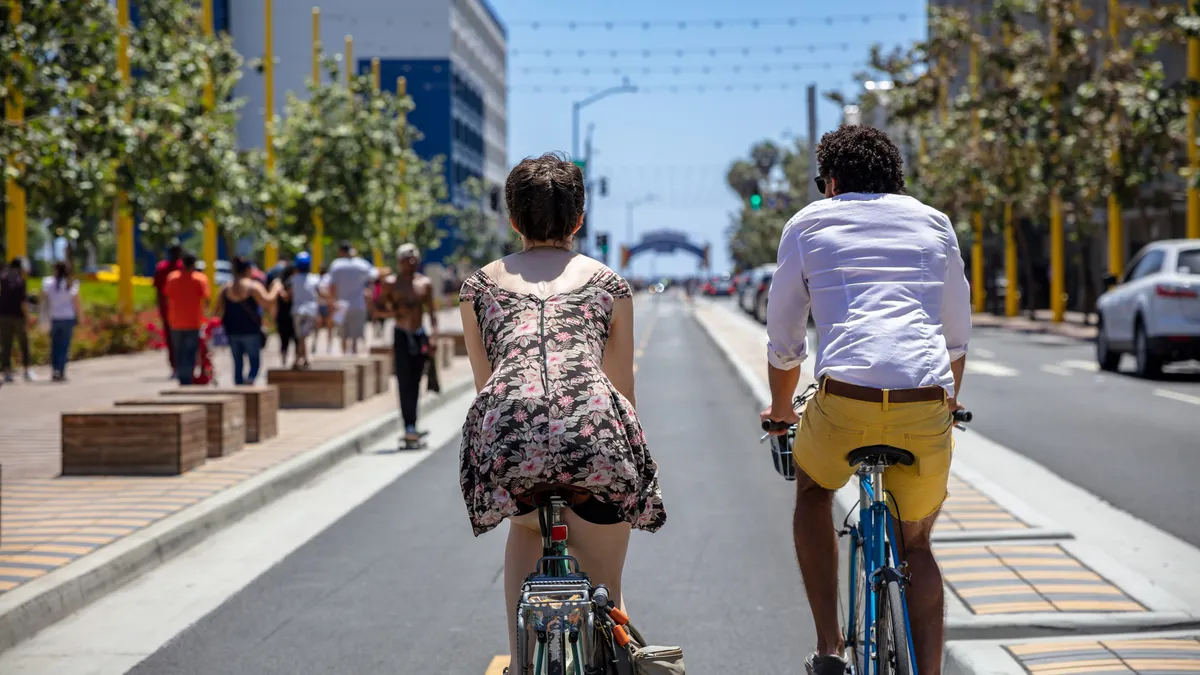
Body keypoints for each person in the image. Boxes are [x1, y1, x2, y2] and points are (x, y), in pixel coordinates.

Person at [760, 125, 971, 675]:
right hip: (924, 399)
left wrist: (783, 414)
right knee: (917, 545)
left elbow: (785, 343)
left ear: (830, 182)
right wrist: (948, 405)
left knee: (812, 490)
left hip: (843, 403)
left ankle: (829, 647)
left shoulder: (807, 224)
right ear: (895, 178)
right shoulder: (934, 223)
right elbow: (956, 338)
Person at [457, 153, 667, 662]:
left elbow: (487, 386)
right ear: (578, 220)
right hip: (594, 439)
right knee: (607, 593)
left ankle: (519, 657)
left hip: (512, 440)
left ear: (513, 219)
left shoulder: (478, 287)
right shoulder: (609, 285)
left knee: (523, 531)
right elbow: (623, 391)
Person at [379, 244, 438, 446]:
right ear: (399, 261)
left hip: (419, 335)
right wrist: (396, 310)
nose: (411, 263)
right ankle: (408, 426)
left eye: (414, 260)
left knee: (416, 380)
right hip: (402, 335)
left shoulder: (425, 283)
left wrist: (433, 338)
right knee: (404, 381)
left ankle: (413, 423)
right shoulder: (391, 284)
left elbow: (432, 313)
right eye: (407, 260)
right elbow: (378, 310)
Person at [216, 257, 280, 385]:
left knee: (237, 362)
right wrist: (276, 289)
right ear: (248, 270)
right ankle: (250, 381)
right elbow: (267, 302)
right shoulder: (254, 287)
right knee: (254, 361)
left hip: (232, 330)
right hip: (250, 329)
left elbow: (217, 311)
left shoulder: (225, 288)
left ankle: (239, 388)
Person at [163, 252, 211, 385]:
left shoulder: (172, 278)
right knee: (190, 352)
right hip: (193, 322)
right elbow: (206, 300)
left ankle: (182, 376)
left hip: (176, 321)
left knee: (178, 351)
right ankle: (188, 377)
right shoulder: (200, 279)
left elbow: (167, 297)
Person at [326, 241, 377, 355]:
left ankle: (344, 355)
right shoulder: (361, 264)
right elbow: (374, 275)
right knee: (355, 337)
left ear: (340, 251)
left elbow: (331, 286)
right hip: (358, 304)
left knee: (343, 335)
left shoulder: (336, 264)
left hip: (341, 305)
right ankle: (353, 355)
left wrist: (332, 302)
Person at [41, 260, 83, 382]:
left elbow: (43, 298)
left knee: (54, 345)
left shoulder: (48, 282)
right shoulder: (71, 283)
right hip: (68, 317)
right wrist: (80, 317)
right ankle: (61, 371)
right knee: (64, 346)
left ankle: (54, 370)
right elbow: (76, 302)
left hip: (54, 317)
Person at [0, 257, 34, 383]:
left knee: (6, 345)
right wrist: (29, 317)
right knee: (24, 344)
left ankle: (7, 371)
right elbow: (23, 302)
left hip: (3, 316)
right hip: (18, 317)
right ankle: (26, 370)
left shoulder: (2, 277)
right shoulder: (21, 279)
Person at [289, 252, 324, 370]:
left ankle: (300, 359)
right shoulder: (314, 279)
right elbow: (320, 294)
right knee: (304, 336)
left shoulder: (293, 279)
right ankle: (304, 359)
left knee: (301, 336)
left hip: (297, 310)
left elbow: (288, 294)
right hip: (311, 310)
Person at [153, 245, 184, 377]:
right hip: (181, 312)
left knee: (173, 341)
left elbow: (158, 291)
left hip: (169, 311)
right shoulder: (182, 268)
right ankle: (182, 366)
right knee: (184, 340)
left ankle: (177, 367)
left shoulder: (163, 268)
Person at [275, 264, 297, 366]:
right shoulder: (284, 284)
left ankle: (287, 361)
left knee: (286, 340)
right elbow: (285, 297)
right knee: (290, 339)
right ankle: (289, 361)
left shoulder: (279, 284)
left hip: (284, 315)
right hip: (289, 315)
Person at [315, 263, 335, 354]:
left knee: (329, 326)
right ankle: (314, 344)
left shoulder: (329, 278)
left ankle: (329, 346)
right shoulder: (316, 278)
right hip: (318, 304)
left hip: (327, 304)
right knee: (317, 326)